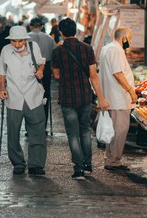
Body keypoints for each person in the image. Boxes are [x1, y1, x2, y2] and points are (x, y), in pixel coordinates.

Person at [51, 18, 108, 180]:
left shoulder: (58, 52)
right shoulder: (87, 49)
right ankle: (88, 164)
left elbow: (56, 75)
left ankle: (78, 169)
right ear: (75, 30)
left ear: (61, 33)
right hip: (85, 97)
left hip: (68, 97)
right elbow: (93, 76)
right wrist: (101, 98)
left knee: (73, 134)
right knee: (84, 131)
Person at [0, 26, 47, 176]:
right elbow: (1, 72)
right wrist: (1, 88)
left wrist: (41, 70)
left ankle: (36, 165)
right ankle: (18, 163)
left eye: (20, 41)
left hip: (33, 96)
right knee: (13, 132)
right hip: (14, 97)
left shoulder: (34, 47)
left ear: (25, 40)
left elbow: (41, 62)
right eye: (14, 41)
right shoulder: (6, 50)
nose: (17, 45)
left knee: (37, 131)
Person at [98, 28, 138, 172]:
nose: (131, 42)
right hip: (118, 98)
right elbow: (118, 73)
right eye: (130, 38)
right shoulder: (116, 50)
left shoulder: (106, 48)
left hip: (111, 97)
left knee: (114, 130)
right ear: (124, 38)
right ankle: (113, 161)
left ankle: (110, 158)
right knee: (119, 131)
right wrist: (131, 91)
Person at [28, 17, 56, 127]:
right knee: (45, 95)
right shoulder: (49, 38)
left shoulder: (26, 38)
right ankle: (43, 125)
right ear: (41, 27)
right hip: (46, 68)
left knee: (30, 96)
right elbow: (54, 56)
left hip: (30, 68)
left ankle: (31, 125)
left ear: (30, 26)